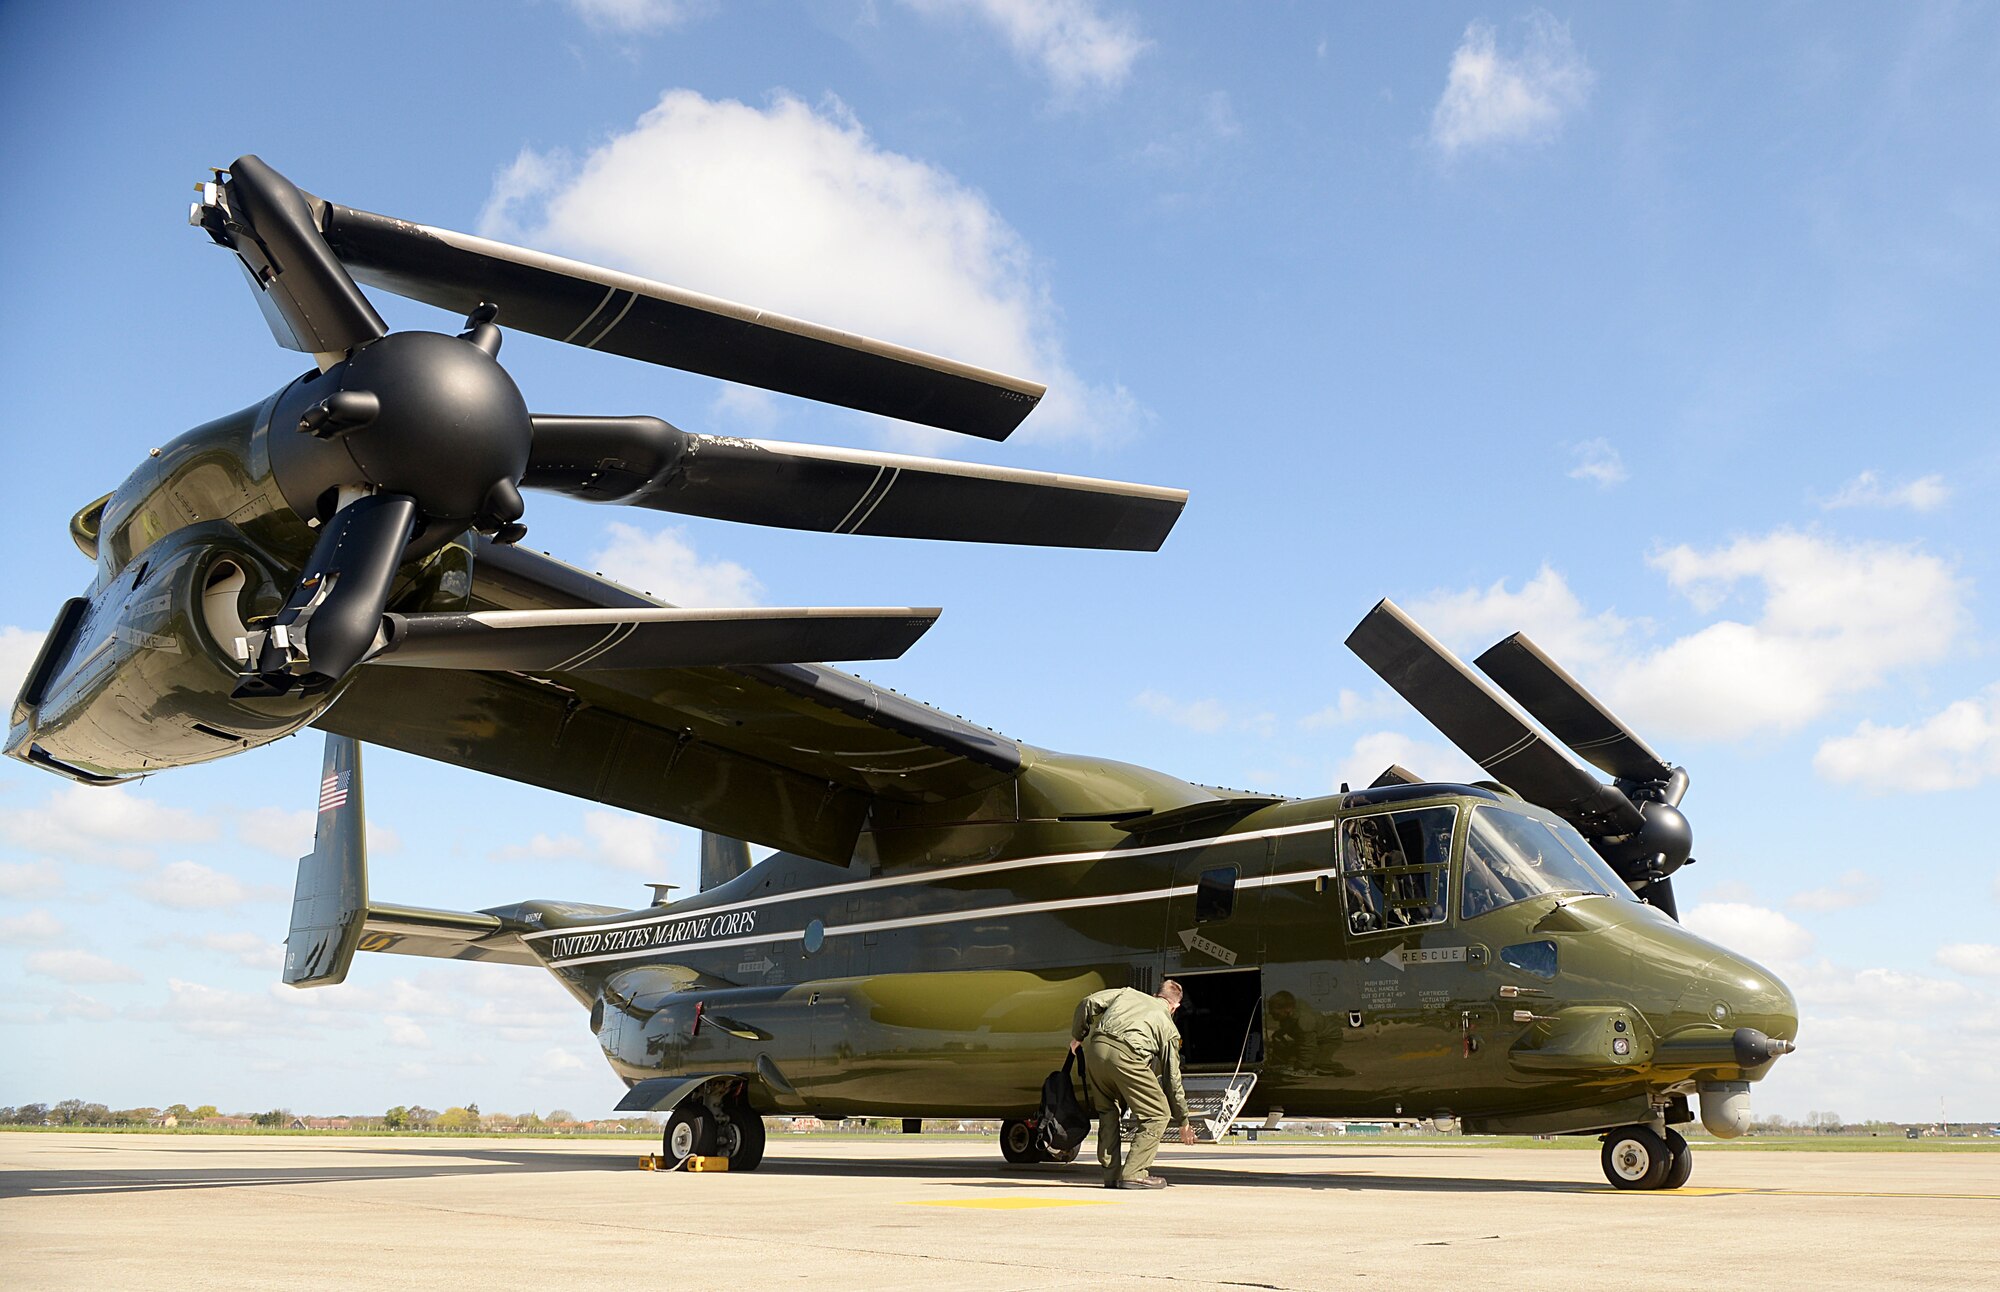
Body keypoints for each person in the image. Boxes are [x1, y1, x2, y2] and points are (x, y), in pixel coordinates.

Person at [1069, 980, 1196, 1189]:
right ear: (1175, 1007)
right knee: (1158, 1113)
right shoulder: (1168, 1027)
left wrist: (1078, 1036)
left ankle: (1111, 1176)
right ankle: (1134, 1173)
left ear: (1156, 995)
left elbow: (1088, 1002)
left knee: (1108, 1111)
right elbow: (1172, 1079)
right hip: (1127, 1056)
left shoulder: (1127, 993)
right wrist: (1183, 1120)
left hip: (1096, 1050)